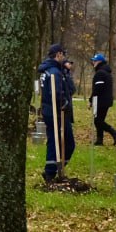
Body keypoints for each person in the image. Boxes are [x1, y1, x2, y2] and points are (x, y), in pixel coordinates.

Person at [38, 44, 75, 181]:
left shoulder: (51, 70)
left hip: (50, 110)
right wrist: (64, 104)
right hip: (56, 111)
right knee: (63, 142)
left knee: (56, 141)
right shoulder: (53, 72)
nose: (64, 57)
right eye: (63, 54)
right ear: (58, 54)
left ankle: (53, 170)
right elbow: (56, 93)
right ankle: (51, 172)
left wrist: (66, 72)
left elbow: (71, 89)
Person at [89, 52, 116, 145]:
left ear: (99, 61)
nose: (93, 63)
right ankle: (99, 140)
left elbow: (97, 89)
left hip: (101, 101)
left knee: (97, 121)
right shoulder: (106, 72)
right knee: (99, 120)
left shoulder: (100, 73)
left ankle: (115, 133)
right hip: (105, 100)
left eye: (94, 61)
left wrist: (91, 100)